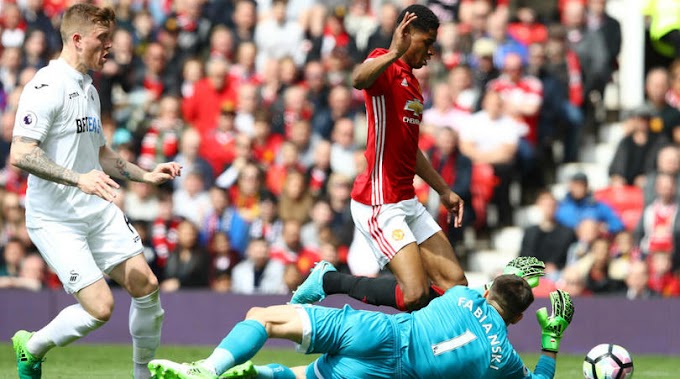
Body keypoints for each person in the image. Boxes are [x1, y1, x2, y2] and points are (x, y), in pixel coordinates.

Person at [9, 4, 182, 379]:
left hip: (95, 207)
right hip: (55, 217)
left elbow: (101, 153)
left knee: (146, 285)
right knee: (100, 308)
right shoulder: (45, 87)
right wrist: (78, 178)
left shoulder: (88, 87)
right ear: (76, 39)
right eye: (103, 39)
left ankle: (142, 375)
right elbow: (20, 154)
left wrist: (144, 175)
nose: (110, 48)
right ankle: (32, 346)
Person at [292, 4, 467, 312]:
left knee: (457, 287)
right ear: (407, 34)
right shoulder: (383, 64)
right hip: (378, 201)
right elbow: (357, 79)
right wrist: (394, 52)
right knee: (415, 294)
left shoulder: (412, 84)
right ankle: (329, 281)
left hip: (407, 200)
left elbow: (409, 149)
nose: (431, 52)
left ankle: (424, 350)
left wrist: (443, 190)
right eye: (427, 43)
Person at [147, 269, 574, 379]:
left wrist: (512, 275)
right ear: (518, 319)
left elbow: (420, 291)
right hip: (391, 374)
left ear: (487, 291)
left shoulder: (464, 295)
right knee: (304, 375)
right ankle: (253, 375)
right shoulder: (505, 361)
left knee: (264, 318)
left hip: (382, 333)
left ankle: (210, 368)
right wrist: (550, 340)